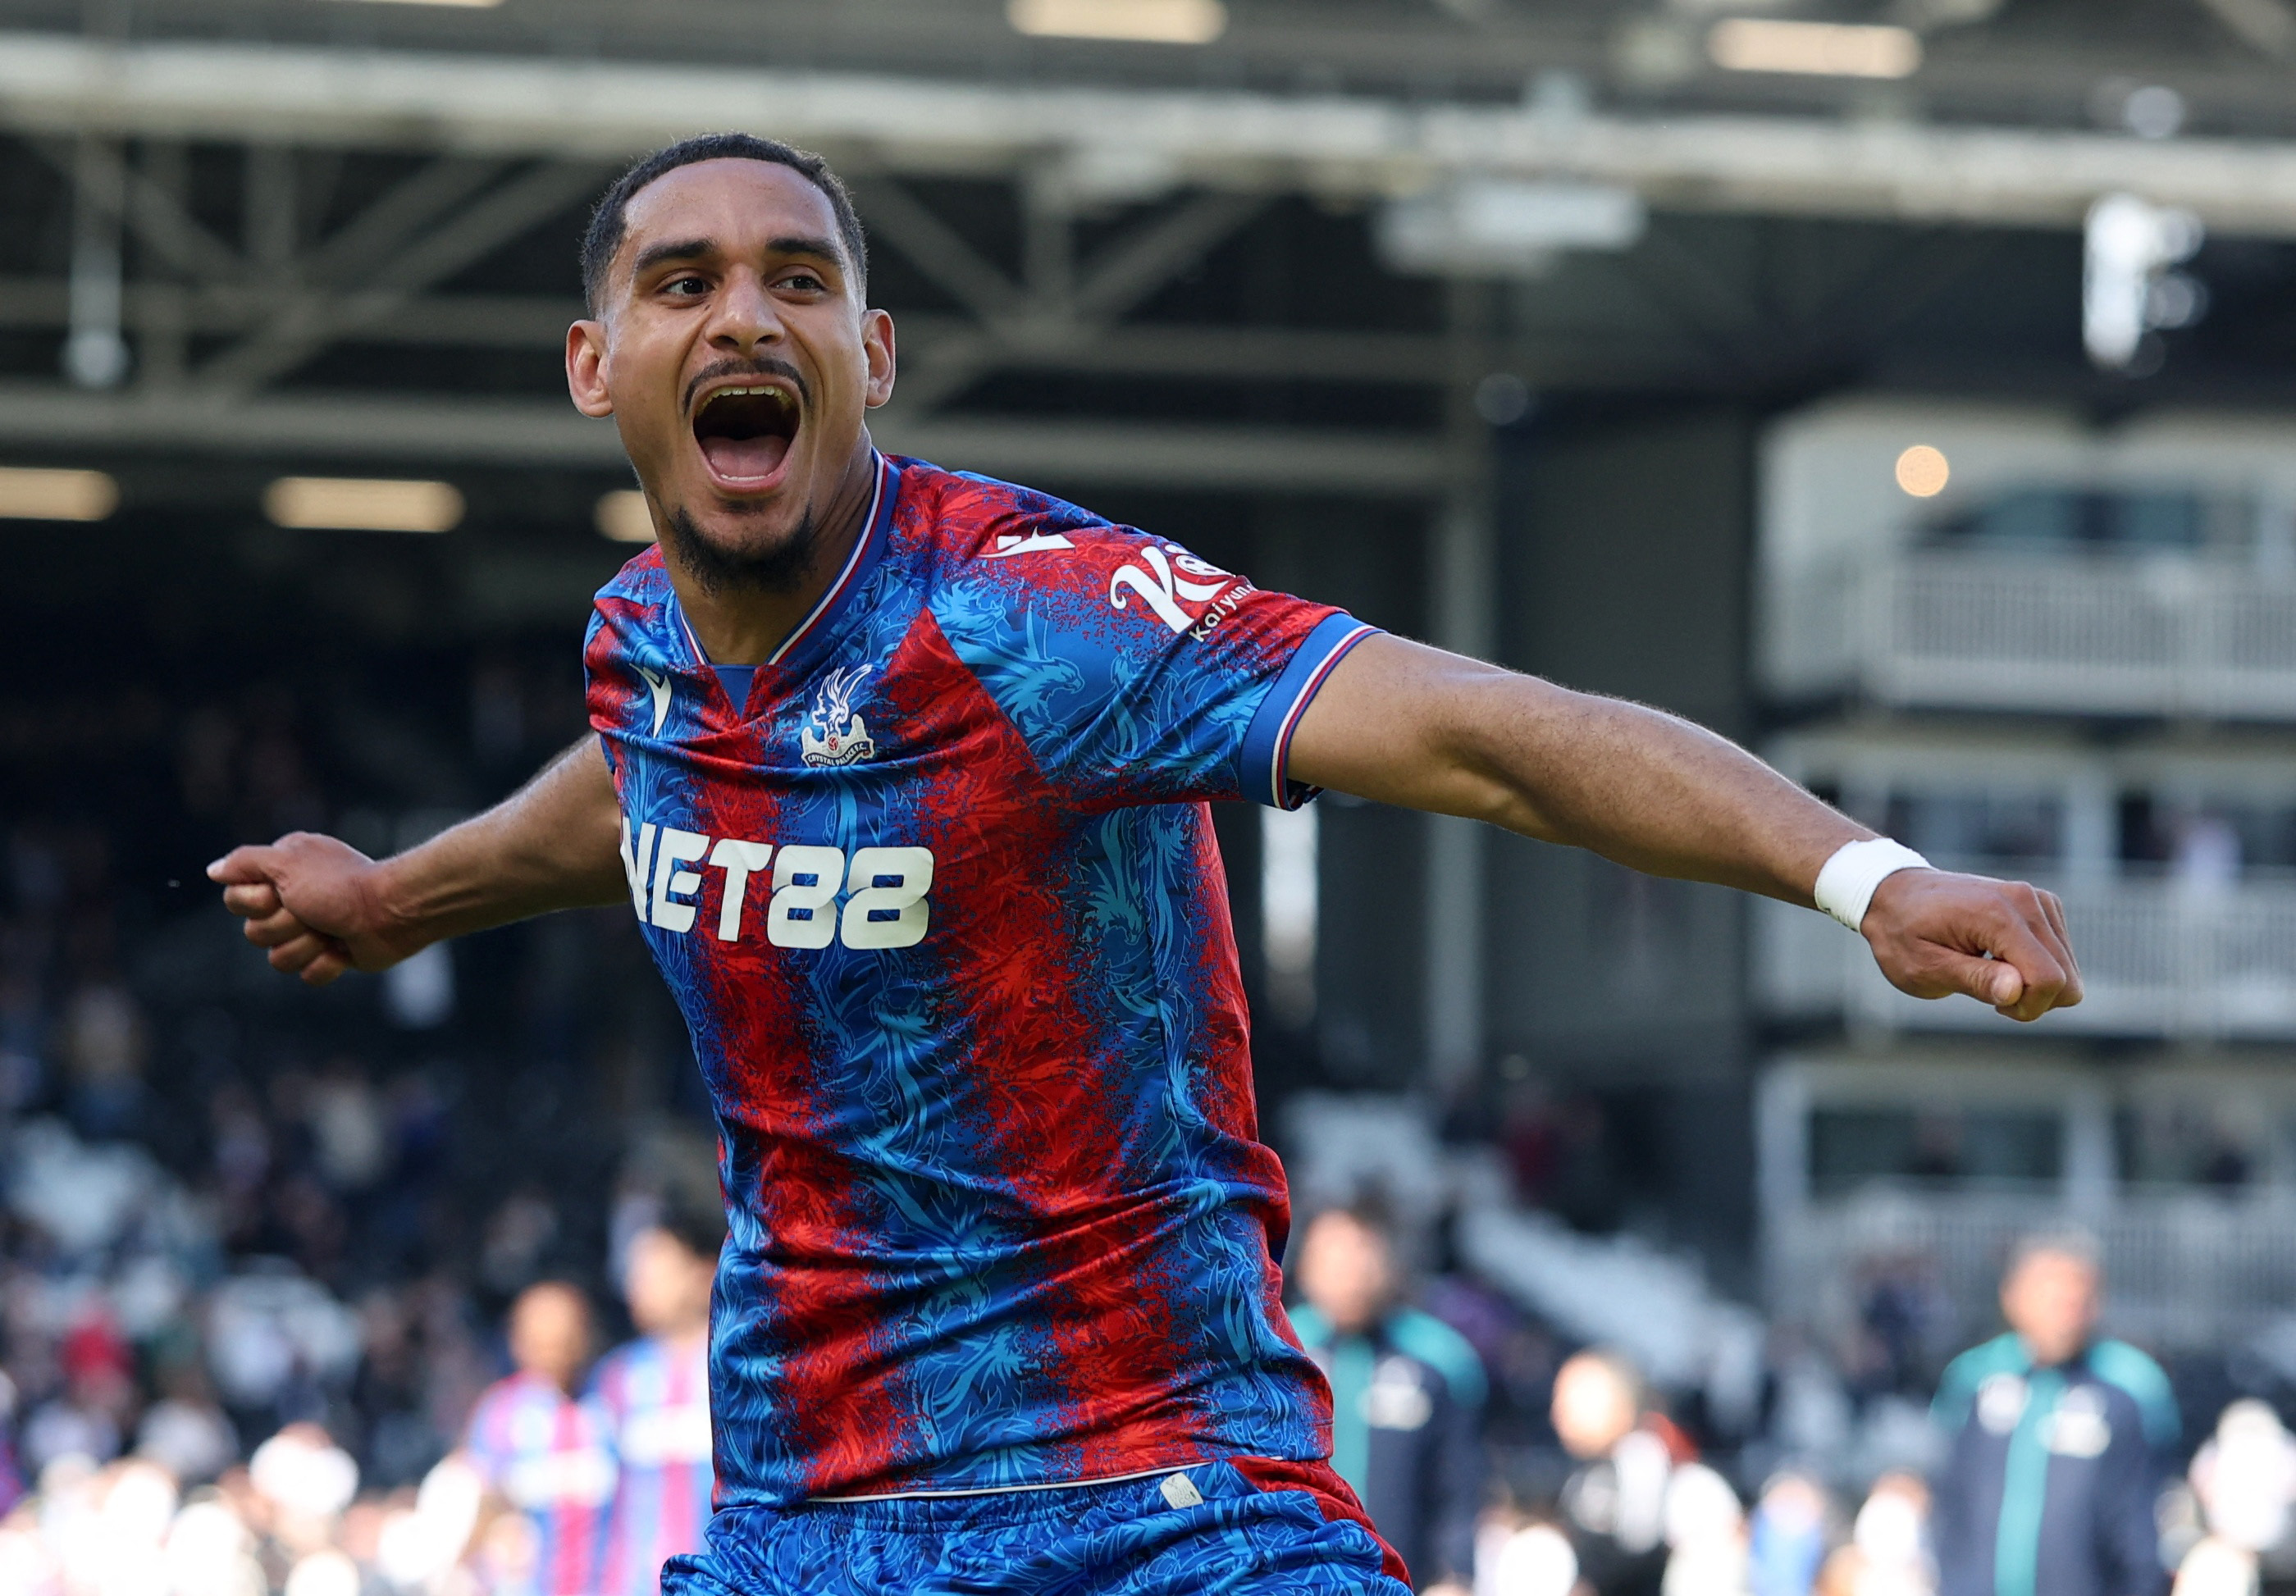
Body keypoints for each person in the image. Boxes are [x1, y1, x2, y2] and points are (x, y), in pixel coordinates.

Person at [209, 132, 2083, 1595]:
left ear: (870, 355)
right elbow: (645, 790)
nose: (744, 318)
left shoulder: (1037, 617)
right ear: (591, 362)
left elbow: (1485, 736)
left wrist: (1862, 879)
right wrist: (399, 897)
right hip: (809, 1527)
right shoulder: (641, 650)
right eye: (681, 282)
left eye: (798, 281)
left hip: (1161, 1503)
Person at [1929, 1233, 2176, 1596]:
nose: (2063, 1309)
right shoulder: (1976, 1377)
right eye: (2048, 1293)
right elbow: (1950, 1495)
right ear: (2012, 1296)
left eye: (2075, 1296)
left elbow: (2145, 1507)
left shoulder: (2131, 1385)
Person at [1289, 1204, 1486, 1592]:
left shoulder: (1441, 1360)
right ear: (1306, 1266)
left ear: (1389, 1262)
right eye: (1334, 1258)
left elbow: (1460, 1485)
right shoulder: (1278, 1353)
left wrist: (1456, 1575)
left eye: (1361, 1254)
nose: (1349, 1273)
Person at [591, 1204, 723, 1596]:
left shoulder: (739, 1372)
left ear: (702, 1273)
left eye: (656, 1274)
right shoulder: (615, 1379)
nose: (639, 1286)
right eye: (635, 1274)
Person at [463, 1280, 615, 1596]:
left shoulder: (612, 1401)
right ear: (518, 1343)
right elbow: (484, 1506)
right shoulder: (500, 1414)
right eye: (542, 1341)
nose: (555, 1353)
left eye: (564, 1339)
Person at [1550, 1348, 1715, 1596]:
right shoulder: (1584, 1471)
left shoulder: (1644, 1462)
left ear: (1622, 1405)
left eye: (1578, 1398)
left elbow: (1636, 1546)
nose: (1561, 1411)